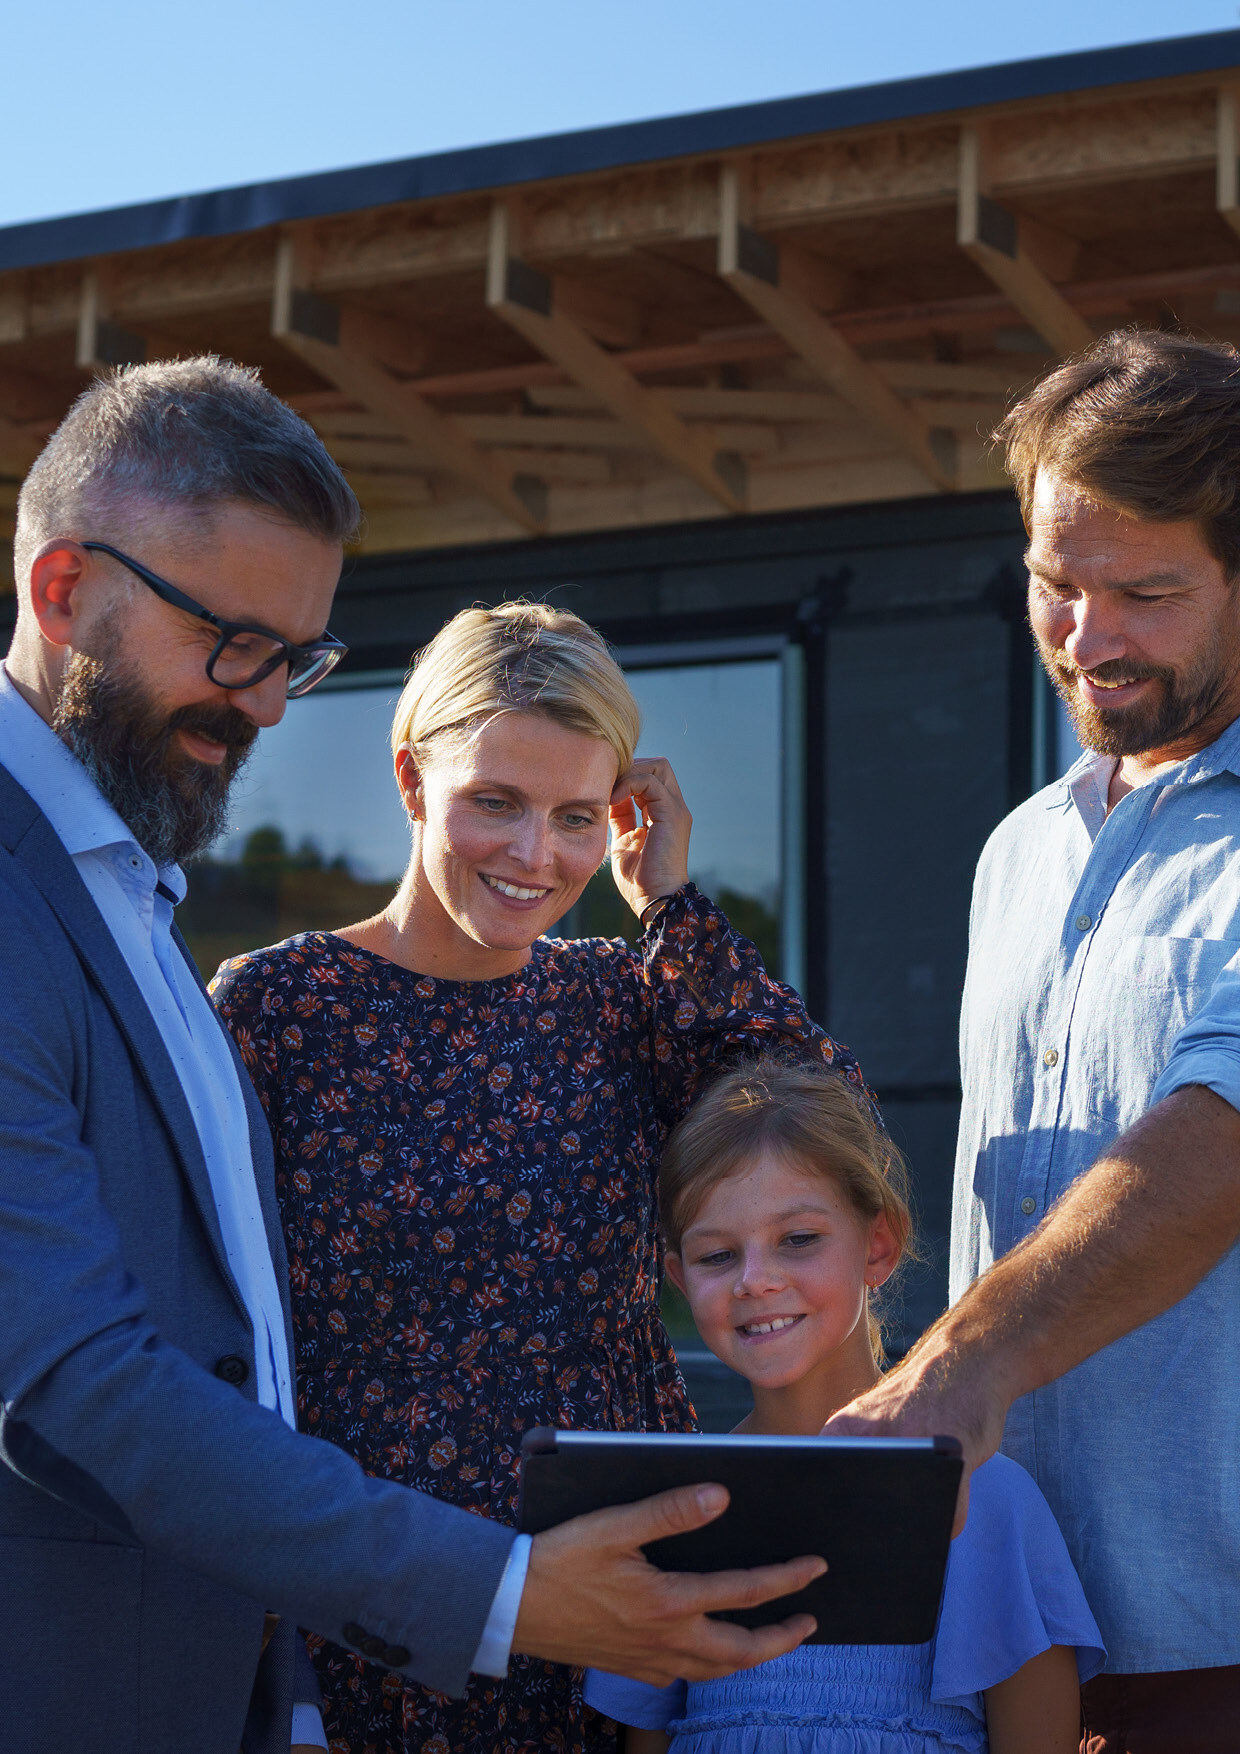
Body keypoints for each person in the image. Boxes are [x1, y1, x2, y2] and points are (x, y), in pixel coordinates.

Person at [0, 358, 832, 1754]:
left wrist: (677, 912)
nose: (269, 707)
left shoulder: (129, 888)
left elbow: (821, 1146)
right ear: (64, 590)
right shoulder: (254, 993)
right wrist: (490, 1592)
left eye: (298, 659)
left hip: (590, 1639)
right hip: (364, 1635)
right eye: (237, 645)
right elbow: (85, 1370)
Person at [210, 601, 871, 1754]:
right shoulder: (276, 1005)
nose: (535, 858)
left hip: (616, 1596)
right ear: (414, 779)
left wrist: (668, 903)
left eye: (577, 816)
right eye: (496, 803)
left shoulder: (620, 996)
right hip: (376, 1596)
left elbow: (820, 1125)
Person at [827, 329, 1240, 1752]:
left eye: (1147, 591)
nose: (1089, 633)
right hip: (1008, 1629)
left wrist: (956, 1371)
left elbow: (1216, 1138)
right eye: (1057, 584)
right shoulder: (1019, 850)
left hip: (1219, 1637)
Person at [585, 1056, 1104, 1753]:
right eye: (717, 1256)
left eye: (798, 1240)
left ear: (878, 1244)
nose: (756, 1281)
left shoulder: (984, 1500)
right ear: (678, 1278)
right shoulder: (673, 1509)